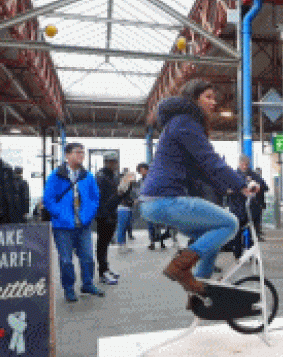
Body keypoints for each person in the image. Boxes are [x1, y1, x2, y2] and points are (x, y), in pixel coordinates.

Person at [140, 79, 258, 298]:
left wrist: (229, 188)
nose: (214, 102)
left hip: (156, 201)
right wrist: (242, 183)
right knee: (229, 223)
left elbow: (201, 171)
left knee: (210, 236)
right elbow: (210, 160)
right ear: (194, 99)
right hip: (165, 198)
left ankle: (200, 290)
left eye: (214, 98)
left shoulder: (179, 123)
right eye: (208, 97)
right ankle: (180, 267)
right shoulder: (185, 122)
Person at [43, 142, 103, 302]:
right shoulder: (55, 176)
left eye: (83, 153)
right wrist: (62, 215)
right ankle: (69, 288)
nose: (81, 155)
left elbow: (94, 198)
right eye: (77, 152)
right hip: (63, 226)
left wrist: (88, 215)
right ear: (67, 155)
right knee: (66, 260)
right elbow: (48, 200)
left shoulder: (88, 176)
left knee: (88, 257)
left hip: (83, 225)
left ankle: (87, 284)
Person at [95, 152, 133, 285]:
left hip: (111, 213)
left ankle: (105, 268)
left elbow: (119, 196)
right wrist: (119, 193)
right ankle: (102, 272)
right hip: (104, 214)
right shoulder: (101, 177)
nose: (116, 164)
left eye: (116, 162)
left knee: (105, 244)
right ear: (107, 162)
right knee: (102, 244)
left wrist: (127, 186)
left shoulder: (113, 176)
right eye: (114, 162)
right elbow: (104, 200)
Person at [227, 155, 269, 259]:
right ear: (239, 163)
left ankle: (251, 255)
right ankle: (238, 255)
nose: (245, 167)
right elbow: (226, 190)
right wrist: (237, 190)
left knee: (252, 233)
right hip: (237, 209)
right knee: (237, 233)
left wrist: (258, 186)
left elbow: (265, 186)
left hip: (252, 210)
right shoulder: (233, 175)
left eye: (246, 164)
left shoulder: (253, 175)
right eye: (243, 164)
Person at [114, 169, 137, 253]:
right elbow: (120, 195)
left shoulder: (129, 185)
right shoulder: (124, 184)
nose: (134, 178)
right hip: (122, 208)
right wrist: (130, 202)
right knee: (122, 227)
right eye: (132, 176)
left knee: (125, 226)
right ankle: (120, 246)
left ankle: (123, 245)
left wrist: (131, 202)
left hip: (126, 208)